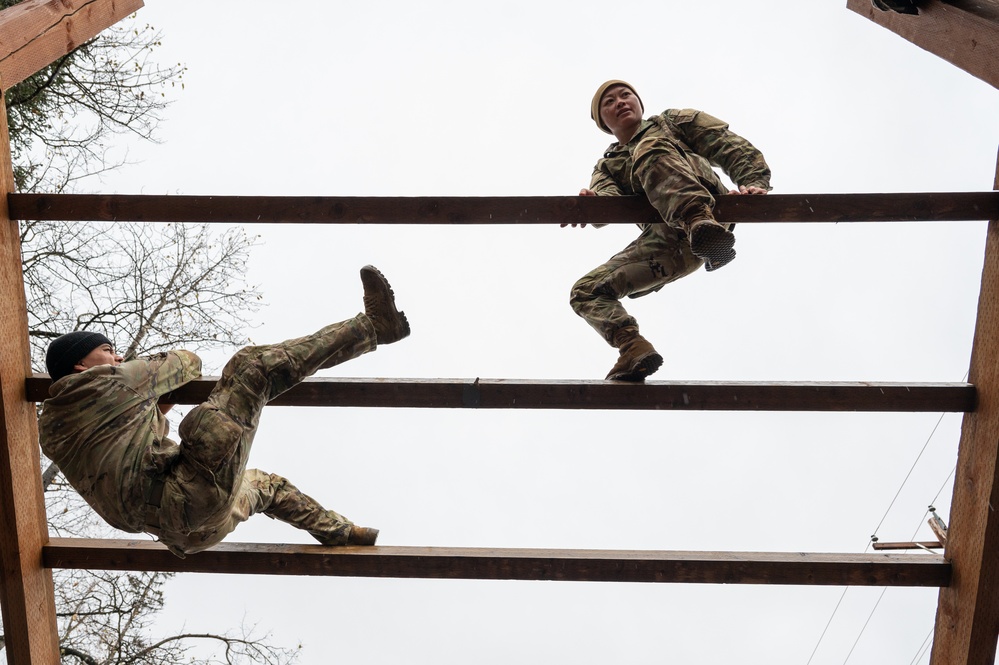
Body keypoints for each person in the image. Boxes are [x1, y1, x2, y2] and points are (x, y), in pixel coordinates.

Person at [38, 265, 409, 558]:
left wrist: (147, 404)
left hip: (190, 534)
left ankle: (343, 533)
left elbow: (125, 444)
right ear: (80, 366)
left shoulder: (53, 430)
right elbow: (187, 364)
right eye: (107, 351)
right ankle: (375, 327)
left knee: (268, 487)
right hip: (186, 494)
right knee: (252, 367)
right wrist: (143, 382)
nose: (117, 357)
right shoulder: (108, 383)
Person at [565, 80, 772, 381]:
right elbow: (609, 203)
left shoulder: (672, 123)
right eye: (609, 102)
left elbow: (730, 146)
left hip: (710, 214)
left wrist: (754, 183)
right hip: (668, 243)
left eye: (626, 95)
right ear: (603, 122)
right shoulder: (607, 168)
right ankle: (633, 348)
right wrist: (590, 205)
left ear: (639, 102)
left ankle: (697, 220)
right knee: (585, 292)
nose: (621, 102)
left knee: (650, 148)